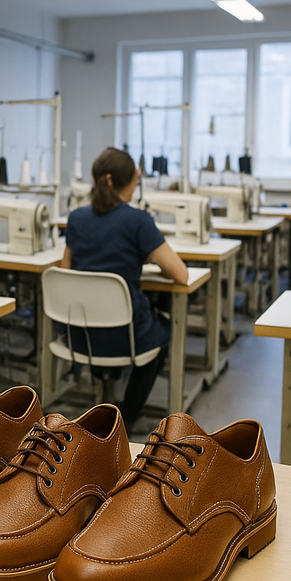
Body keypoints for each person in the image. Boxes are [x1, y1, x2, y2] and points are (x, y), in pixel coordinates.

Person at [61, 147, 188, 430]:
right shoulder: (139, 221)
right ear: (122, 181)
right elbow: (180, 274)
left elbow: (66, 271)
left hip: (79, 335)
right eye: (135, 181)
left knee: (114, 325)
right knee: (162, 333)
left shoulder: (76, 218)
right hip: (125, 337)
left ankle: (104, 392)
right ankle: (126, 418)